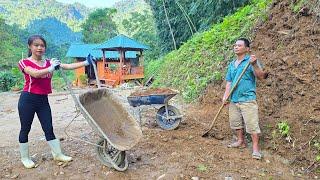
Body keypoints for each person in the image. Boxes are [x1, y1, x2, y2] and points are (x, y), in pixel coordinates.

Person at [17, 35, 95, 168]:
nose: (39, 48)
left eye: (42, 45)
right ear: (30, 46)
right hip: (28, 99)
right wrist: (51, 68)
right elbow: (35, 73)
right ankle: (25, 158)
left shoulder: (49, 62)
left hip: (43, 100)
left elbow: (69, 66)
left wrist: (86, 62)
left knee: (48, 127)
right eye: (36, 45)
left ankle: (57, 153)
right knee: (25, 128)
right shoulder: (24, 62)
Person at [222, 38, 267, 160]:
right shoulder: (232, 64)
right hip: (234, 98)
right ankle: (240, 141)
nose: (236, 47)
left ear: (247, 49)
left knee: (252, 124)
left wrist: (254, 64)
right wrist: (226, 96)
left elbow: (262, 76)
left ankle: (256, 148)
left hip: (247, 98)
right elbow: (229, 82)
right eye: (235, 45)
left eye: (239, 45)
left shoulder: (251, 61)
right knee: (235, 122)